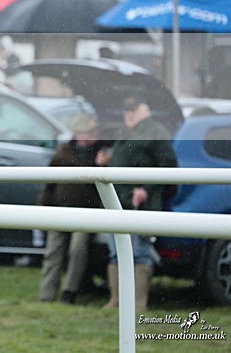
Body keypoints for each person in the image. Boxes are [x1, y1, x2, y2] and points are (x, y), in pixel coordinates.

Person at [96, 93, 178, 311]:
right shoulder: (126, 132)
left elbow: (168, 166)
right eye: (126, 110)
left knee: (140, 252)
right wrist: (107, 161)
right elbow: (124, 158)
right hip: (118, 203)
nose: (129, 114)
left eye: (134, 109)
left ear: (145, 109)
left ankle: (138, 304)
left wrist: (146, 189)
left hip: (142, 204)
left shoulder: (156, 131)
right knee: (116, 251)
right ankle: (116, 301)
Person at [37, 114, 104, 305]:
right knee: (53, 252)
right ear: (76, 133)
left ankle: (70, 292)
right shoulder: (63, 153)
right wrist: (42, 208)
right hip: (60, 210)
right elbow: (49, 184)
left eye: (91, 132)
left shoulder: (103, 153)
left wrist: (103, 165)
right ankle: (46, 295)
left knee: (77, 250)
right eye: (84, 132)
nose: (88, 137)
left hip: (86, 213)